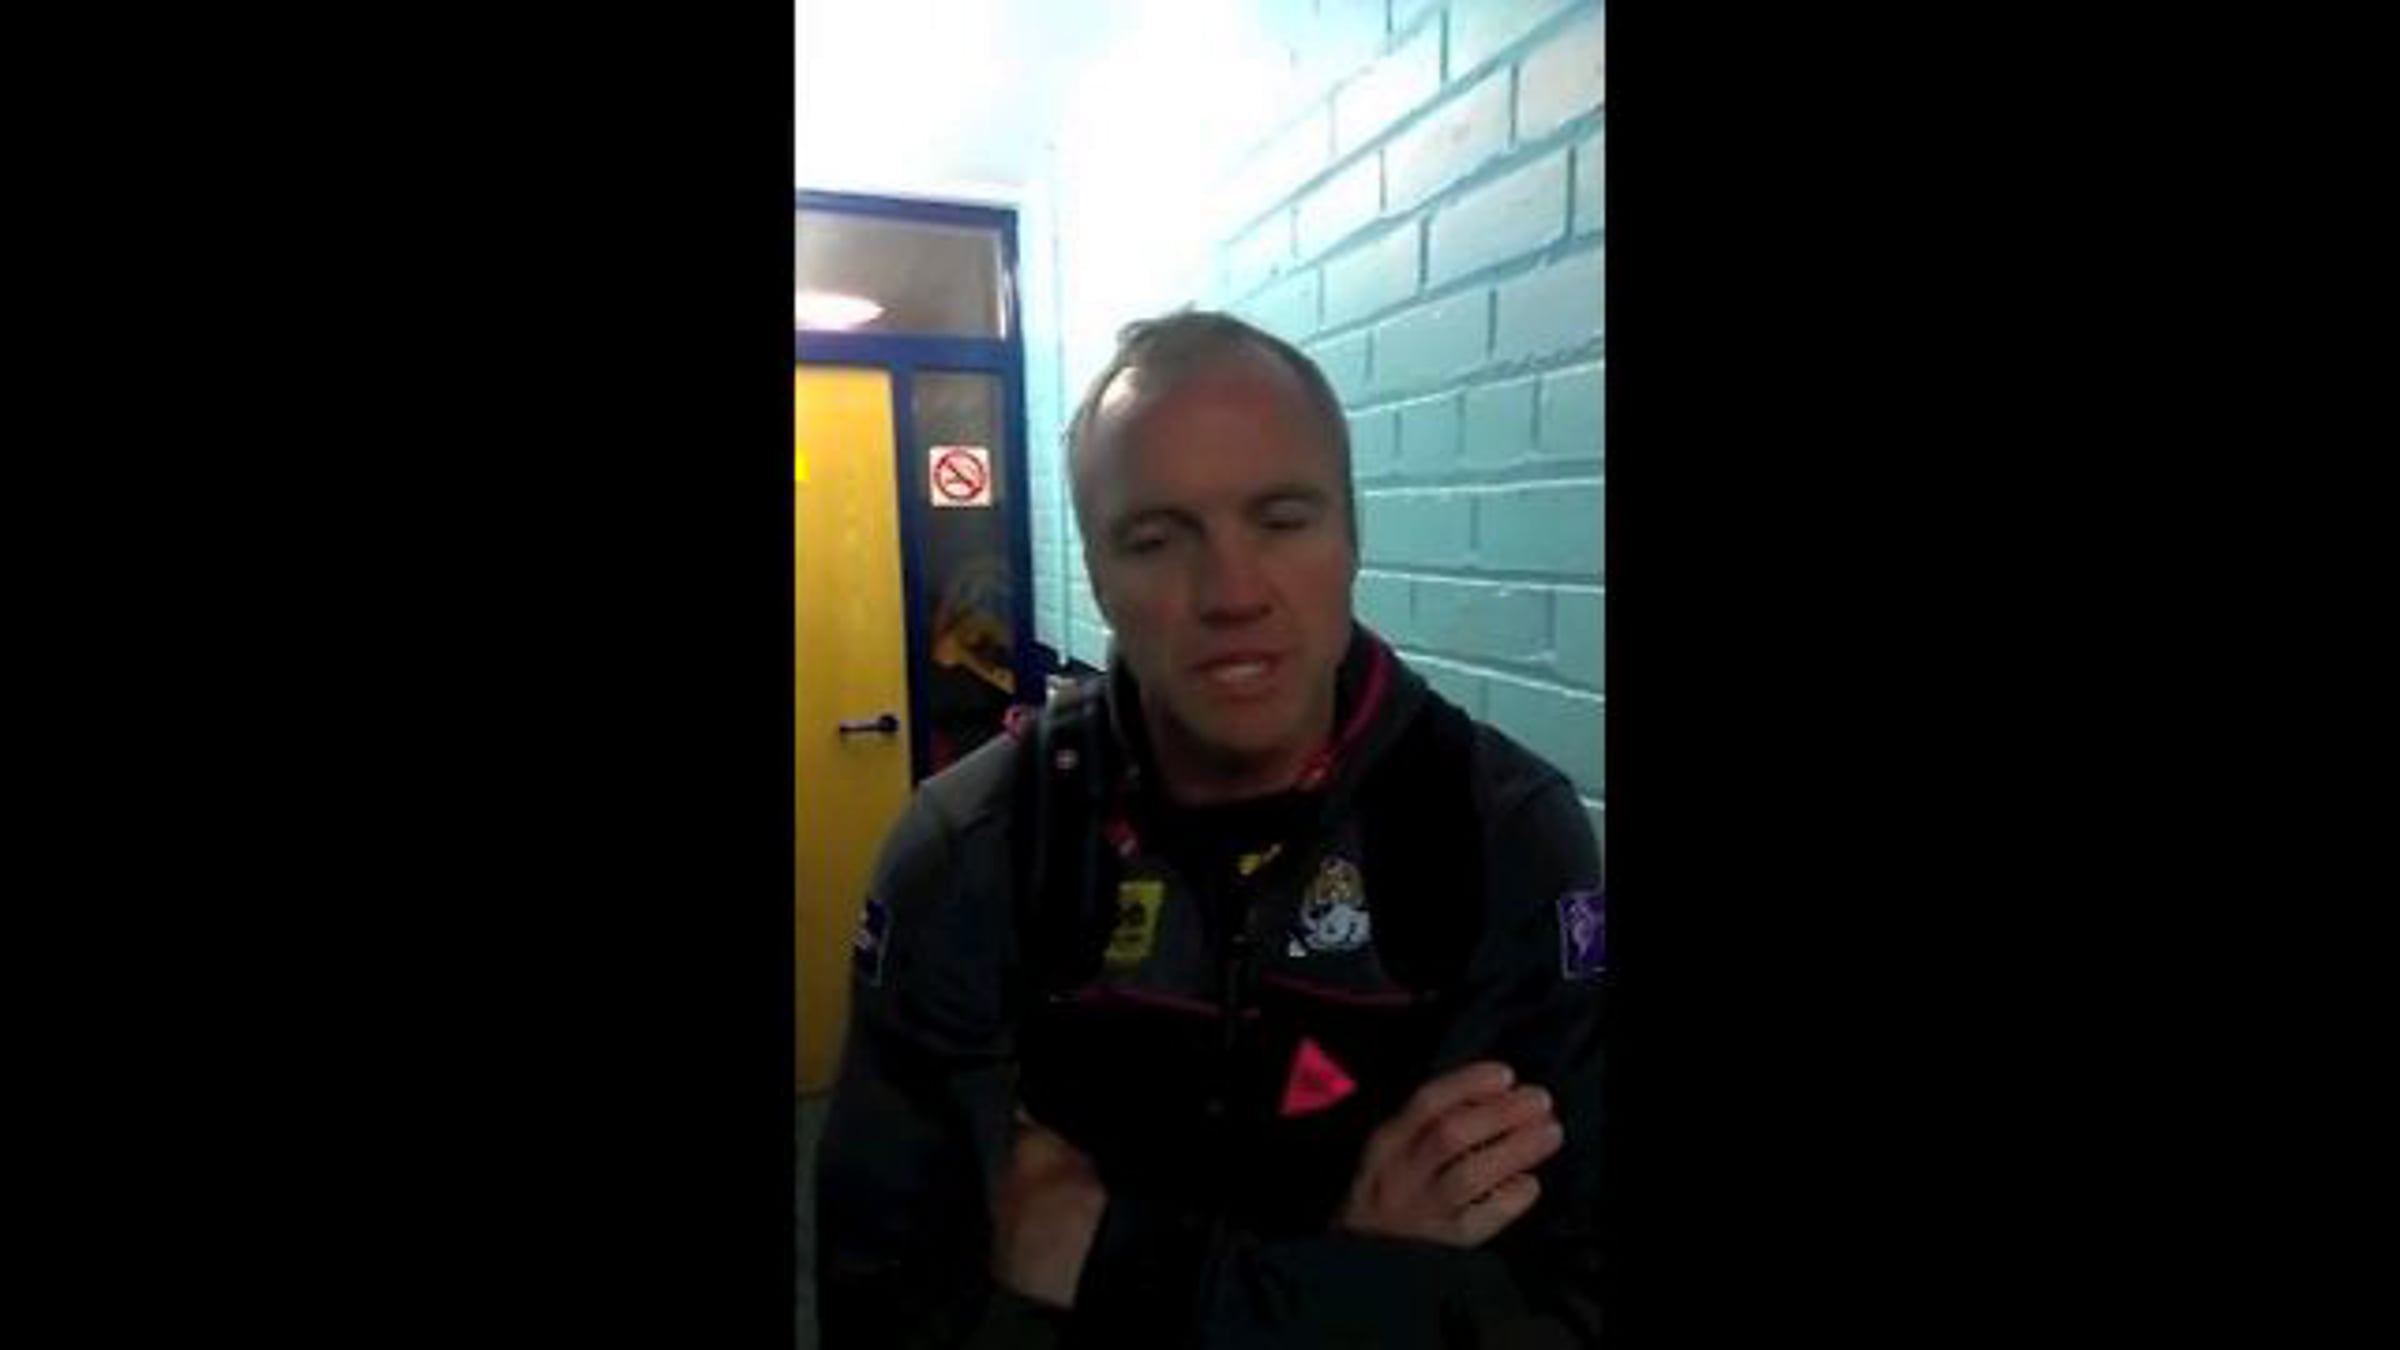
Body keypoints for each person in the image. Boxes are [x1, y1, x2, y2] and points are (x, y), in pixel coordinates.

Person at [815, 310, 1603, 1348]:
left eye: (1282, 520)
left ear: (1352, 536)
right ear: (1098, 574)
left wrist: (1119, 1262)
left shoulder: (1505, 837)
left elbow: (1566, 1303)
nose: (1232, 594)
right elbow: (894, 1297)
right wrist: (1354, 1261)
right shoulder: (970, 852)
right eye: (1156, 539)